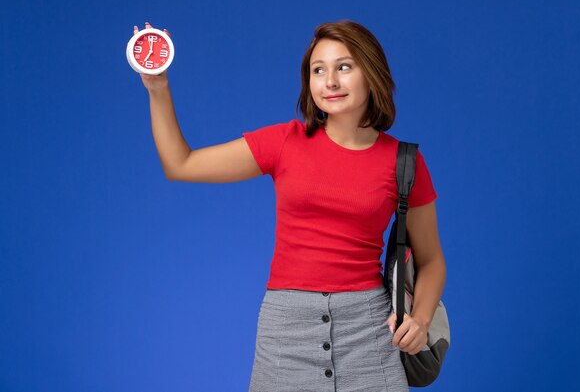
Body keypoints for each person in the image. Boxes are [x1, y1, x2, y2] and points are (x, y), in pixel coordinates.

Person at [134, 20, 446, 392]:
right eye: (318, 70)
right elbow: (180, 164)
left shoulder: (403, 161)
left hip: (371, 334)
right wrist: (158, 87)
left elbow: (431, 260)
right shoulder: (284, 142)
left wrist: (422, 320)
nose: (329, 81)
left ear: (372, 73)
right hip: (286, 332)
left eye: (344, 67)